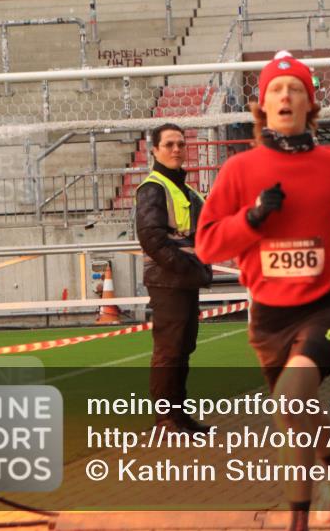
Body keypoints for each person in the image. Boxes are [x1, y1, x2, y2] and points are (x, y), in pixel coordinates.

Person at [195, 51, 330, 531]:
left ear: (309, 104)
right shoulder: (239, 172)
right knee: (293, 414)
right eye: (276, 90)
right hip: (268, 319)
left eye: (295, 89)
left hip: (323, 307)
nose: (285, 96)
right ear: (262, 106)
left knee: (289, 401)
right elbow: (207, 243)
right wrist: (253, 218)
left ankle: (296, 519)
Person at [135, 122, 213, 434]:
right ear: (154, 150)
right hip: (169, 280)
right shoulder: (153, 188)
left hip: (184, 279)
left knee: (182, 347)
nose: (177, 149)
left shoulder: (187, 190)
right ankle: (167, 419)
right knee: (170, 350)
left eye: (181, 144)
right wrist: (189, 268)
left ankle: (178, 416)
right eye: (169, 144)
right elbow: (152, 239)